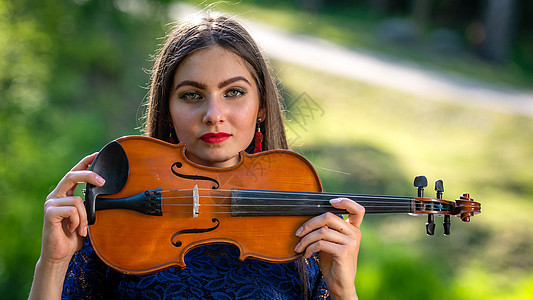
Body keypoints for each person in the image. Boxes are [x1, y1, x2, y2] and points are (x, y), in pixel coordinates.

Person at [29, 13, 364, 299]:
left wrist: (342, 290)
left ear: (261, 107)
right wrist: (54, 263)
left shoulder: (303, 228)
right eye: (192, 95)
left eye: (234, 92)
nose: (214, 114)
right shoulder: (117, 218)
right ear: (168, 111)